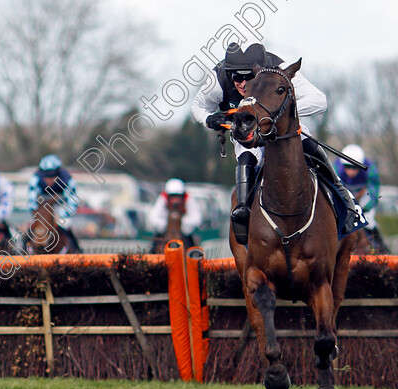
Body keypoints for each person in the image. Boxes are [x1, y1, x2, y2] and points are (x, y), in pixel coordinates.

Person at [191, 42, 359, 244]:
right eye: (237, 77)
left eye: (249, 77)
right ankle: (243, 211)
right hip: (247, 133)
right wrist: (209, 119)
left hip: (282, 130)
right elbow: (198, 106)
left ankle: (345, 200)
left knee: (309, 144)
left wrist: (279, 113)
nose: (243, 84)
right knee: (247, 157)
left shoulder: (280, 70)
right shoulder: (216, 80)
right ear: (229, 74)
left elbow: (319, 101)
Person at [334, 144, 387, 251]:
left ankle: (380, 246)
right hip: (345, 196)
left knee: (369, 221)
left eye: (354, 167)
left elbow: (374, 193)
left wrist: (364, 208)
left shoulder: (370, 168)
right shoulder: (335, 168)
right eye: (347, 167)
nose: (350, 171)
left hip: (363, 197)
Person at [26, 154, 81, 251]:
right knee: (31, 227)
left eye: (52, 175)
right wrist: (37, 213)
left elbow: (73, 202)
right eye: (46, 176)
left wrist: (61, 214)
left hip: (61, 207)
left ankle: (76, 250)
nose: (49, 179)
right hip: (42, 209)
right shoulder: (35, 179)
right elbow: (32, 201)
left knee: (66, 225)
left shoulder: (68, 179)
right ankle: (25, 250)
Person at [146, 178, 203, 246]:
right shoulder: (162, 198)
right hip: (164, 232)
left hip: (184, 232)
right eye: (173, 196)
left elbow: (197, 219)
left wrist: (179, 223)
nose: (175, 200)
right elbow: (152, 217)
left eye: (178, 196)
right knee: (153, 248)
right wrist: (168, 224)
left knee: (193, 248)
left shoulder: (188, 199)